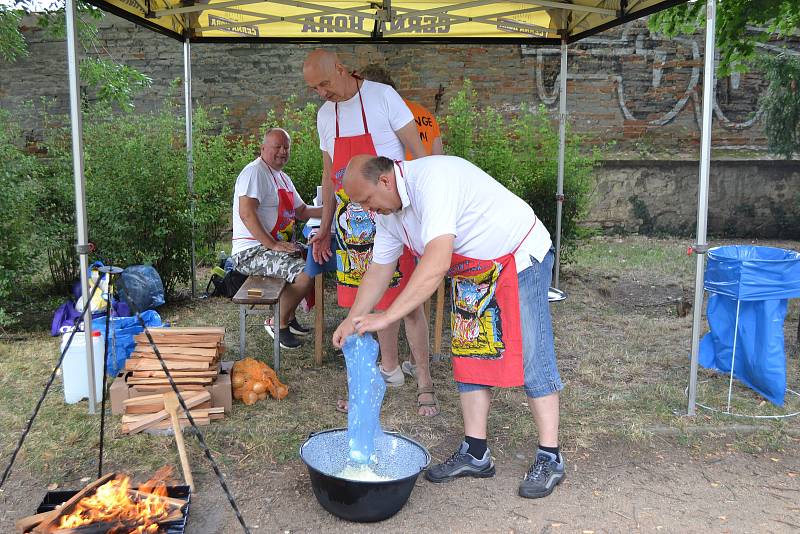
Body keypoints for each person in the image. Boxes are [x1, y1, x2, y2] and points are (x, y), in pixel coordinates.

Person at [333, 154, 564, 499]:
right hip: (474, 268)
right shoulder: (388, 213)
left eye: (366, 200)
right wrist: (352, 319)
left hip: (518, 256)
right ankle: (476, 453)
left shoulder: (432, 181)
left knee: (533, 353)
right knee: (470, 352)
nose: (367, 210)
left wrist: (388, 316)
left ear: (384, 181)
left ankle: (550, 456)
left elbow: (437, 261)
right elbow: (379, 269)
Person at [302, 49, 438, 417]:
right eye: (314, 88)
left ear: (342, 70)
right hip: (352, 224)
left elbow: (420, 157)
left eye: (325, 83)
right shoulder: (324, 115)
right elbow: (329, 178)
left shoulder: (382, 97)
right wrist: (326, 228)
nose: (321, 93)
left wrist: (429, 218)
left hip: (393, 213)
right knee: (364, 305)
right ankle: (377, 376)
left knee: (408, 304)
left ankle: (424, 381)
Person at [231, 127, 322, 349]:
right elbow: (246, 213)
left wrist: (333, 209)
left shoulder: (282, 177)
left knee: (314, 255)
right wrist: (272, 244)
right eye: (277, 147)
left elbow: (302, 211)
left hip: (269, 247)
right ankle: (277, 322)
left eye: (286, 147)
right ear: (263, 148)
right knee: (304, 273)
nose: (282, 151)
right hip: (250, 252)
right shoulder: (255, 173)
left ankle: (289, 316)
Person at [357, 64, 444, 158]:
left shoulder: (373, 115)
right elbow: (438, 156)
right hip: (421, 171)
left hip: (394, 171)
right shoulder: (426, 115)